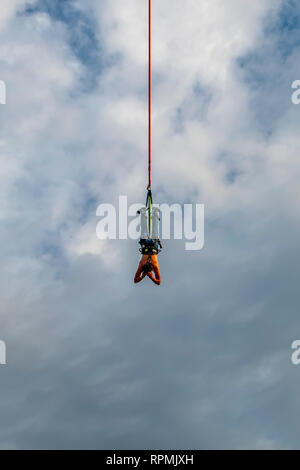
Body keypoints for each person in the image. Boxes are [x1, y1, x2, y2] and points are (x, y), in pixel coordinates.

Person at [134, 206, 161, 286]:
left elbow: (135, 280)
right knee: (152, 229)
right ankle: (152, 212)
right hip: (153, 243)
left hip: (147, 243)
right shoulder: (154, 266)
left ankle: (145, 212)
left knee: (146, 229)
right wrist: (150, 277)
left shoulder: (142, 265)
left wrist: (144, 276)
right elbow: (158, 282)